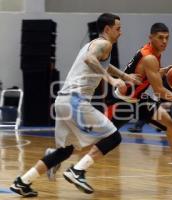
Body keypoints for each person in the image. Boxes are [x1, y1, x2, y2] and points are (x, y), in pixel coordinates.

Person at [10, 13, 142, 197]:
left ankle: (22, 182)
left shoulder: (95, 44)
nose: (121, 32)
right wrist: (112, 81)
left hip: (63, 101)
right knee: (113, 137)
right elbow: (90, 60)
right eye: (118, 29)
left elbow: (103, 64)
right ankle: (77, 171)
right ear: (107, 29)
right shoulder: (104, 44)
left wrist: (125, 76)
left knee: (65, 151)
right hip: (75, 101)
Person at [105, 22, 172, 186]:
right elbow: (160, 91)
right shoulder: (150, 57)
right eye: (160, 38)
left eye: (167, 38)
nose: (164, 41)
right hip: (121, 102)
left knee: (170, 124)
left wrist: (164, 70)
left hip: (137, 100)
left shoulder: (152, 53)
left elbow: (146, 74)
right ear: (151, 38)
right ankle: (59, 155)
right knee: (99, 140)